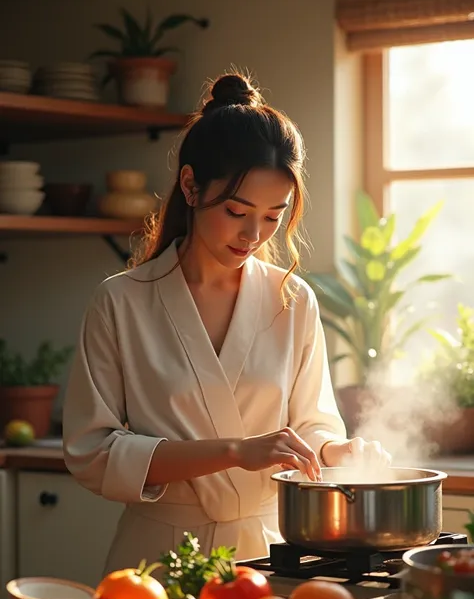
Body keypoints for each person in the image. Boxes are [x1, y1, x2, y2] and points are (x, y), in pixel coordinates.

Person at [62, 72, 390, 573]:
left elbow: (309, 426)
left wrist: (337, 449)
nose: (253, 234)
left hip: (270, 557)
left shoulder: (292, 299)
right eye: (237, 211)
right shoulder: (122, 301)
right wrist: (236, 450)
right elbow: (93, 451)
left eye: (273, 216)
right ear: (191, 186)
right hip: (158, 559)